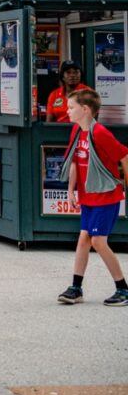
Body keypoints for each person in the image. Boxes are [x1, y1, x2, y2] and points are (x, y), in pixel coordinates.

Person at [57, 89, 128, 306]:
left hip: (106, 197)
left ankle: (123, 289)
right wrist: (71, 190)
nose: (67, 111)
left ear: (85, 109)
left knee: (98, 241)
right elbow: (76, 162)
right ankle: (76, 288)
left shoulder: (100, 133)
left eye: (71, 108)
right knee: (83, 240)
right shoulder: (77, 132)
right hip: (88, 197)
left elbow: (124, 156)